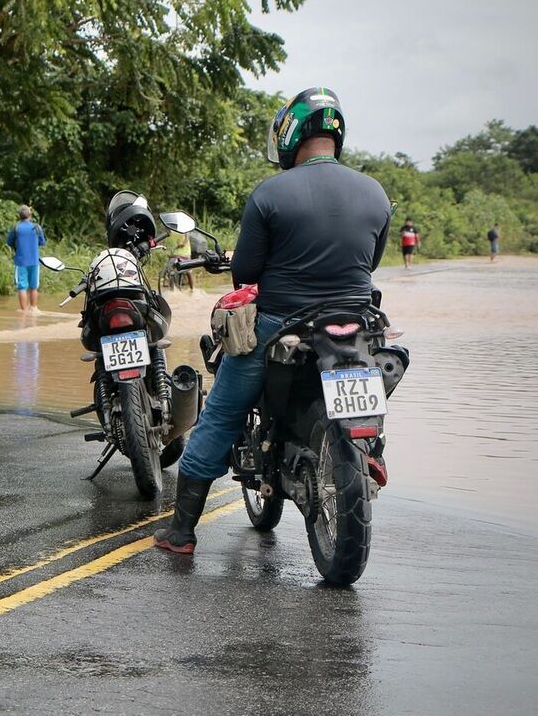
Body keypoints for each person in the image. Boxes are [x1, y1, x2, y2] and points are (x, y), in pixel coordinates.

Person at [154, 87, 391, 555]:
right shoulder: (376, 192)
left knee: (219, 416)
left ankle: (181, 533)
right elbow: (372, 263)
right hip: (358, 325)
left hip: (281, 326)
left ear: (292, 132)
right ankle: (368, 451)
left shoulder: (271, 193)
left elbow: (245, 271)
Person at [6, 205, 46, 312]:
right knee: (34, 287)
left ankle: (23, 311)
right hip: (34, 261)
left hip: (21, 262)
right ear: (30, 215)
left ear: (19, 216)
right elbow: (42, 242)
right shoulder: (37, 227)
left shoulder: (16, 228)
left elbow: (9, 242)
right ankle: (33, 308)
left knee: (22, 287)